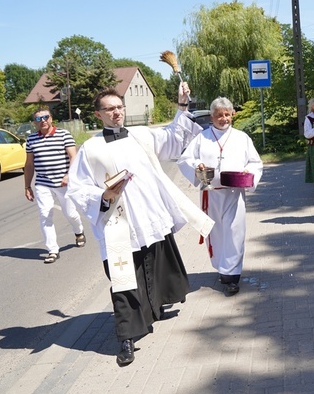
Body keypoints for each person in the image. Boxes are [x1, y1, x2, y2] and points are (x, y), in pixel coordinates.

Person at [67, 84, 214, 367]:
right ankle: (126, 336)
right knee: (124, 279)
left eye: (119, 107)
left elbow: (173, 137)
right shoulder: (91, 148)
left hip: (149, 216)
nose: (116, 112)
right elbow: (76, 188)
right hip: (119, 222)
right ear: (99, 114)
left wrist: (182, 106)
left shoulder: (141, 135)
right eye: (110, 109)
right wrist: (103, 195)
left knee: (153, 262)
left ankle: (154, 309)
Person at [177, 97, 263, 296]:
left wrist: (246, 173)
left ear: (232, 114)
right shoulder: (202, 137)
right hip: (211, 194)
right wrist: (197, 166)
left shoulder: (242, 138)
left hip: (234, 193)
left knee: (234, 232)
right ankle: (221, 266)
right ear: (212, 116)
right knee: (215, 233)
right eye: (218, 115)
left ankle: (231, 276)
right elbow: (185, 159)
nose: (223, 119)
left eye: (226, 114)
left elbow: (255, 163)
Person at [24, 107, 86, 264]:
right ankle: (52, 250)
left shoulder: (64, 135)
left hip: (64, 182)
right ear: (34, 122)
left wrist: (68, 175)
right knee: (45, 215)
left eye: (45, 117)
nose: (42, 121)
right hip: (43, 184)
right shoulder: (31, 140)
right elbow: (29, 164)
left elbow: (73, 157)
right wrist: (27, 186)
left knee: (70, 213)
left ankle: (79, 232)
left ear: (51, 118)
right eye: (38, 119)